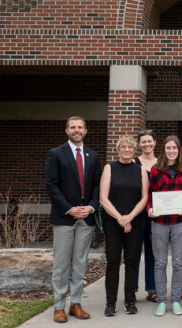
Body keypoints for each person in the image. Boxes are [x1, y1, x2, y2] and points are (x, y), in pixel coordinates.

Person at [45, 116, 101, 323]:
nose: (77, 130)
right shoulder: (56, 154)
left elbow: (97, 185)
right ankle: (58, 306)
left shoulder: (93, 156)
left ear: (86, 131)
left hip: (86, 218)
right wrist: (69, 209)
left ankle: (75, 304)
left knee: (80, 262)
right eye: (73, 127)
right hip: (64, 218)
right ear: (66, 131)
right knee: (61, 264)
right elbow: (51, 185)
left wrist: (91, 207)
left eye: (80, 127)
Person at [100, 135, 148, 316]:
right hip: (113, 221)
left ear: (135, 150)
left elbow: (144, 197)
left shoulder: (140, 170)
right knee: (113, 260)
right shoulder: (109, 168)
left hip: (134, 220)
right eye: (123, 147)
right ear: (118, 149)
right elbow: (103, 198)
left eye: (130, 147)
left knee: (131, 261)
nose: (127, 150)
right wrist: (120, 218)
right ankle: (110, 302)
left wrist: (130, 217)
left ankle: (130, 300)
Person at [147, 135, 182, 317]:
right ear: (164, 150)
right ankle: (161, 301)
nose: (171, 151)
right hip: (159, 222)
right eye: (168, 148)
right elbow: (150, 193)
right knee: (159, 263)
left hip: (180, 222)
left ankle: (175, 300)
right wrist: (150, 208)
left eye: (174, 148)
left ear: (179, 150)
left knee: (178, 262)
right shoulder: (156, 169)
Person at [134, 129, 158, 303]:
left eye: (150, 141)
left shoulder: (162, 163)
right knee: (133, 252)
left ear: (155, 143)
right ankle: (131, 289)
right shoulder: (134, 163)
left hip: (157, 214)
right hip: (136, 213)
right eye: (143, 142)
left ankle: (152, 289)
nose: (147, 144)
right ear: (139, 144)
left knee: (153, 252)